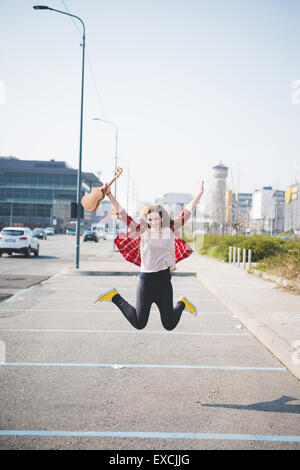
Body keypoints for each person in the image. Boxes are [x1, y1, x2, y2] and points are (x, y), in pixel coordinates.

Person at [96, 181, 204, 331]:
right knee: (140, 323)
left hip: (164, 282)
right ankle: (115, 297)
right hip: (146, 282)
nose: (153, 222)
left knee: (169, 325)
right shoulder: (141, 231)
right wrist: (108, 194)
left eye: (156, 218)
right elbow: (122, 214)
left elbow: (188, 211)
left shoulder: (171, 229)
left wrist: (199, 194)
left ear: (162, 218)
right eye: (150, 219)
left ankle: (182, 304)